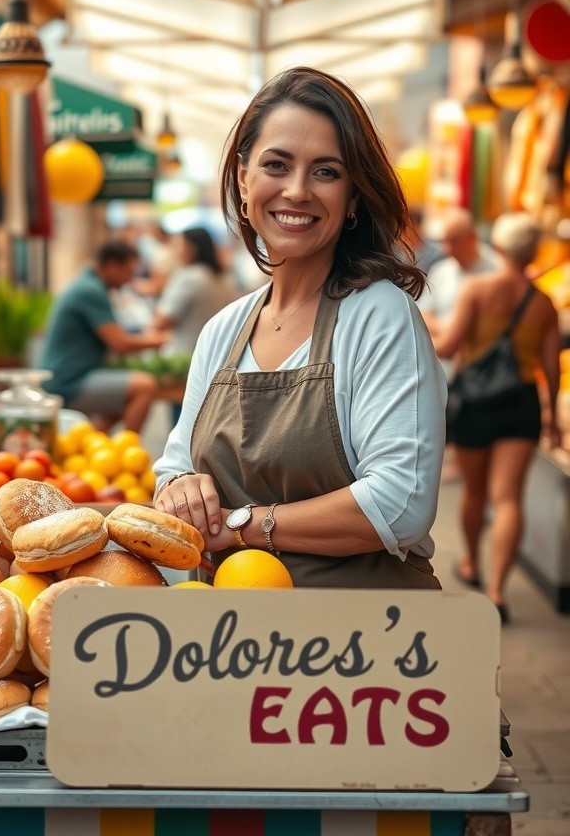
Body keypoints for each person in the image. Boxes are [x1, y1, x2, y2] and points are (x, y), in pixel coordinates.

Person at [153, 66, 447, 589]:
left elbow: (400, 502)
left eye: (326, 172)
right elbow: (173, 467)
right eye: (276, 164)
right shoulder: (223, 331)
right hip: (227, 639)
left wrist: (245, 526)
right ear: (243, 179)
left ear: (353, 198)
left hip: (360, 645)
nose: (296, 190)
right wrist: (179, 488)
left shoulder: (379, 316)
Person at [432, 212, 561, 623]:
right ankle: (497, 590)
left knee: (474, 493)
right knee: (509, 499)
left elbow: (449, 349)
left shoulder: (477, 289)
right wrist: (554, 418)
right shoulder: (544, 304)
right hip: (521, 404)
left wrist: (426, 322)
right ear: (533, 252)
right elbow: (551, 368)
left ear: (500, 248)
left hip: (475, 403)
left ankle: (471, 562)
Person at [38, 239, 172, 433]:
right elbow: (119, 343)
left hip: (77, 375)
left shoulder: (89, 283)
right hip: (68, 381)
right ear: (111, 266)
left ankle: (95, 448)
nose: (130, 279)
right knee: (146, 386)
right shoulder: (90, 290)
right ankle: (126, 451)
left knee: (122, 399)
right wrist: (161, 339)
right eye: (128, 272)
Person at [151, 226, 239, 424]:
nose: (176, 251)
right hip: (219, 362)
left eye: (179, 245)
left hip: (183, 363)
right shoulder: (224, 279)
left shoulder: (189, 277)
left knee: (182, 424)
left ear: (191, 248)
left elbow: (161, 321)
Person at [418, 207, 497, 379]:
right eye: (445, 241)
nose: (448, 248)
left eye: (454, 241)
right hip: (442, 371)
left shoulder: (496, 270)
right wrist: (448, 329)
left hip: (482, 372)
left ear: (472, 238)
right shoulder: (441, 270)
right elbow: (424, 313)